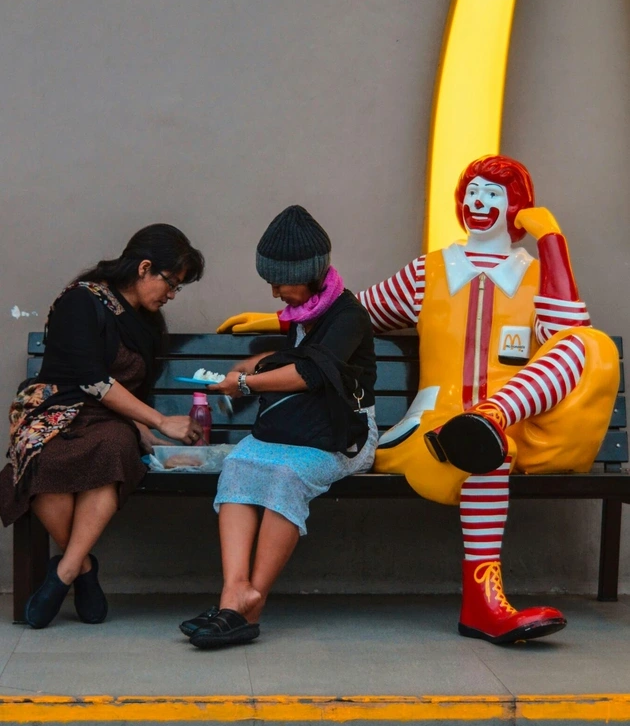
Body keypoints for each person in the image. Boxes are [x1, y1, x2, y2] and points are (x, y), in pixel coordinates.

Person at [217, 158, 619, 645]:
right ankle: (483, 605)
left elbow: (563, 338)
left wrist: (552, 242)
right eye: (472, 191)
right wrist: (276, 319)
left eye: (494, 194)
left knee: (589, 345)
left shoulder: (535, 277)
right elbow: (351, 314)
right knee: (485, 456)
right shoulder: (430, 271)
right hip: (434, 432)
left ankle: (493, 415)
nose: (479, 203)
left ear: (518, 207)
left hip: (519, 426)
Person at [180, 205, 377, 650]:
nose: (274, 292)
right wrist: (255, 364)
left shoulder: (346, 315)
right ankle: (233, 592)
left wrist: (246, 382)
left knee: (286, 475)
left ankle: (254, 601)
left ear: (309, 273)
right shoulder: (305, 311)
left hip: (344, 435)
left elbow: (309, 375)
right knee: (241, 465)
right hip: (299, 427)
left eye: (280, 281)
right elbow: (294, 359)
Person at [0, 223, 205, 629]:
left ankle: (62, 574)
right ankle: (85, 569)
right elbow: (92, 379)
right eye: (172, 283)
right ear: (145, 268)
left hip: (110, 421)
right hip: (57, 409)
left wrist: (138, 423)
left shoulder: (146, 322)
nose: (171, 295)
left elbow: (130, 391)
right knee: (43, 459)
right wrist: (161, 421)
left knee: (113, 448)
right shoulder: (81, 301)